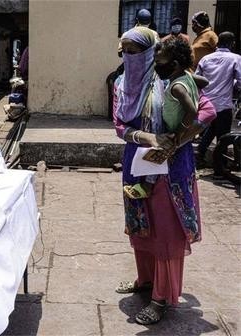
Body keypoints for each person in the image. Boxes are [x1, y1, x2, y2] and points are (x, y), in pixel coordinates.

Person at [113, 27, 202, 325]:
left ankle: (161, 297)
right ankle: (145, 279)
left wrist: (175, 140)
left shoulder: (169, 81)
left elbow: (205, 110)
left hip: (170, 168)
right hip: (137, 164)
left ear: (150, 52)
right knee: (142, 224)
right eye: (124, 51)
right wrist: (146, 137)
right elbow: (119, 125)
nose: (129, 57)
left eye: (135, 51)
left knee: (165, 232)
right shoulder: (122, 83)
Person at [123, 38, 206, 199]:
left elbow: (193, 110)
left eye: (159, 62)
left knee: (157, 155)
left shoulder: (176, 86)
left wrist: (180, 132)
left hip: (174, 129)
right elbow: (205, 81)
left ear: (174, 65)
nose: (156, 66)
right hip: (176, 126)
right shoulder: (186, 77)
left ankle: (147, 186)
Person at [195, 31, 241, 171]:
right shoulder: (235, 58)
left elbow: (196, 79)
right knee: (223, 138)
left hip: (206, 104)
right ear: (232, 43)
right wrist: (234, 86)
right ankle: (219, 168)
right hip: (223, 104)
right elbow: (240, 81)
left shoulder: (206, 59)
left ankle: (199, 155)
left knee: (211, 131)